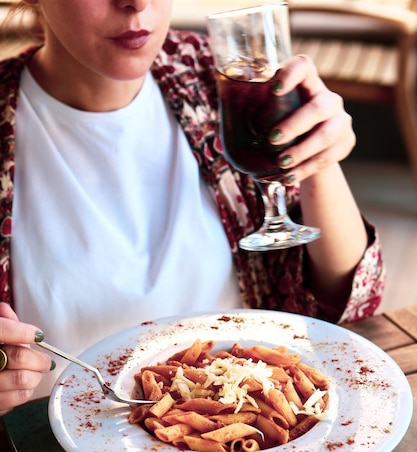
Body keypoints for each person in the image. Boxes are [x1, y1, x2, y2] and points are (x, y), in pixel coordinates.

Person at [0, 0, 384, 415]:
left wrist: (319, 164)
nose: (137, 3)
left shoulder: (214, 75)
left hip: (247, 443)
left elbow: (350, 302)